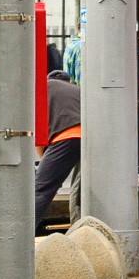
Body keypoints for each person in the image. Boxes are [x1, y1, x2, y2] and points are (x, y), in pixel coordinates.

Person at [34, 70, 82, 233]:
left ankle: (21, 235)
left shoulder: (42, 89)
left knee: (41, 189)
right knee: (80, 188)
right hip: (92, 139)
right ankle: (79, 230)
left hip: (66, 136)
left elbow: (39, 135)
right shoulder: (78, 90)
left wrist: (44, 160)